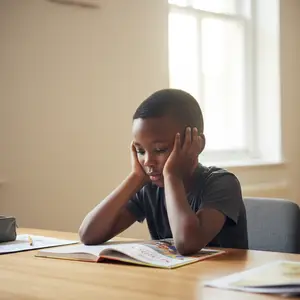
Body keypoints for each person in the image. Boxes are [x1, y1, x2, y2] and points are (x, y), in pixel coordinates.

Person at [79, 88, 248, 255]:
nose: (147, 161)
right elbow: (89, 234)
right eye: (140, 151)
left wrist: (172, 175)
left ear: (197, 144)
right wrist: (136, 177)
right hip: (172, 280)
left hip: (221, 280)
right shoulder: (150, 188)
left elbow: (187, 243)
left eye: (160, 150)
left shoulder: (222, 183)